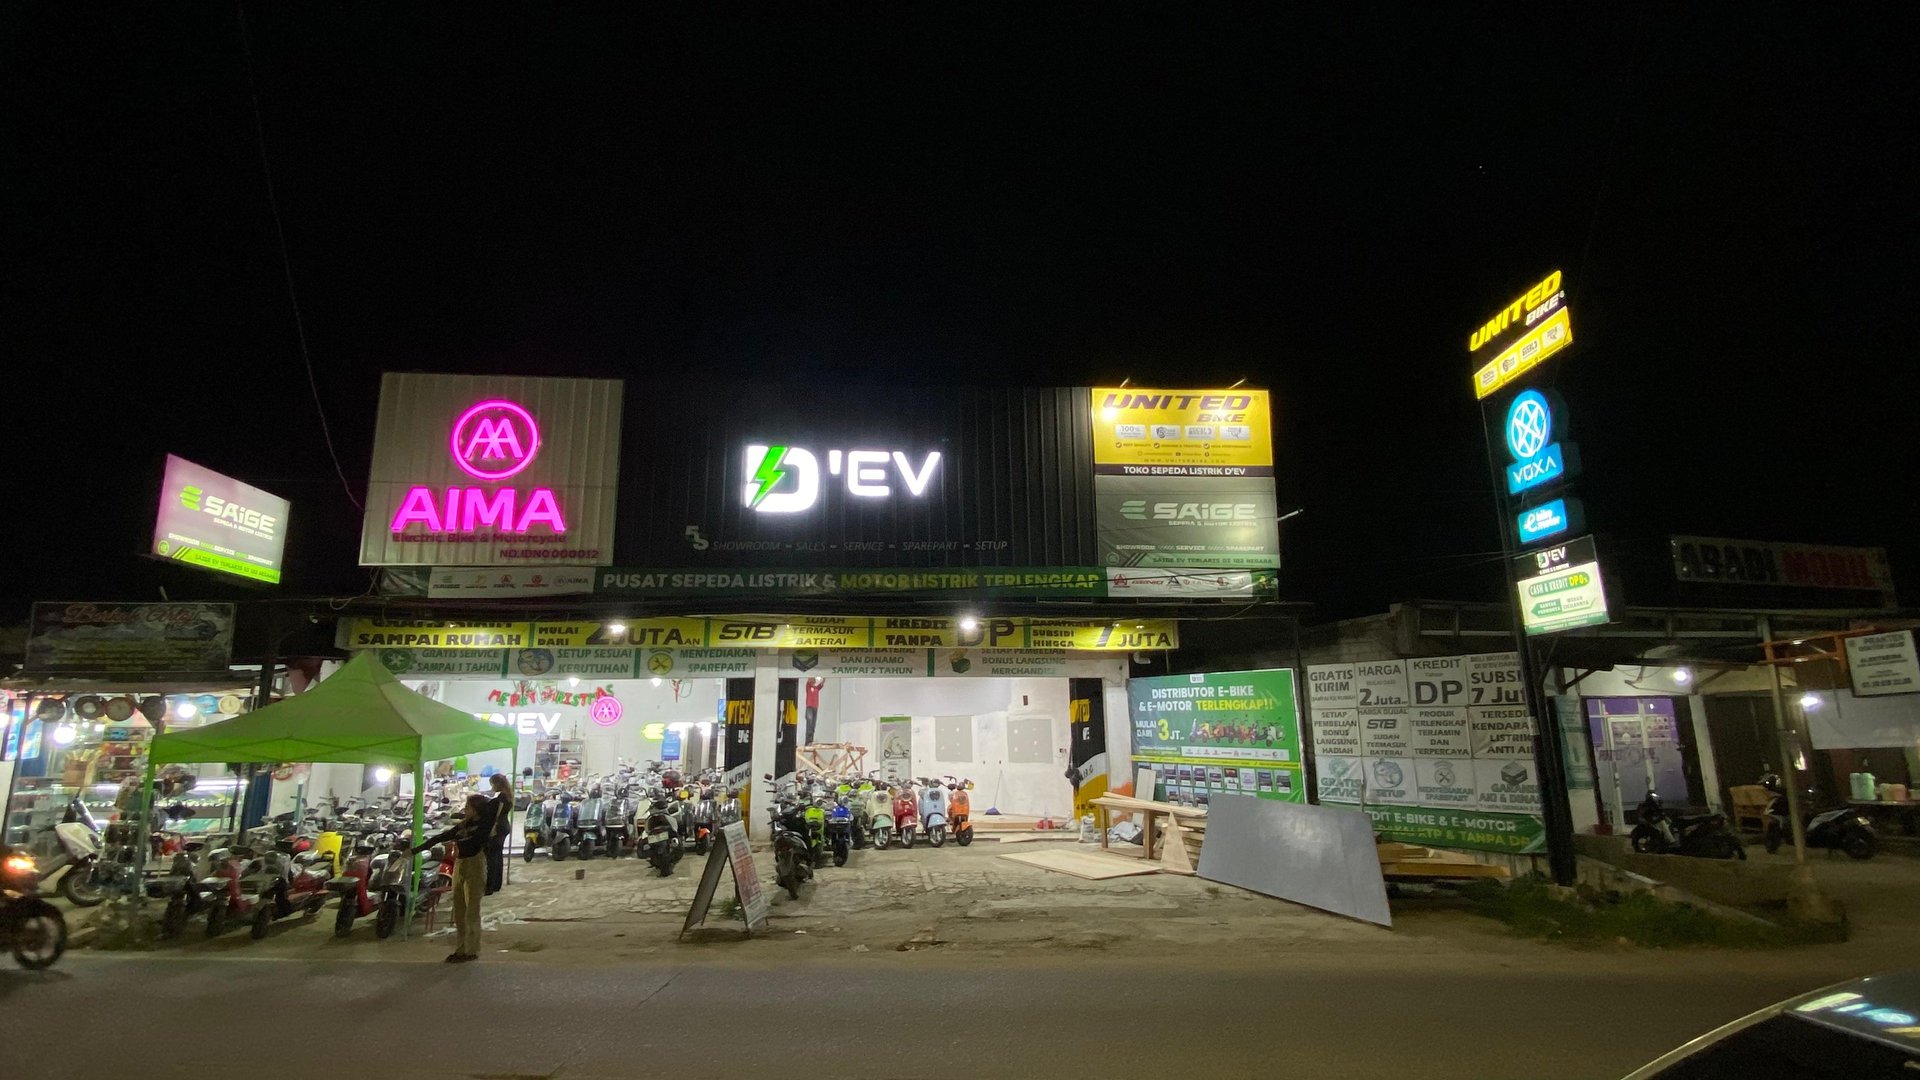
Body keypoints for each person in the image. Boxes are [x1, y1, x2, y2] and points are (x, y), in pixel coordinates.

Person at [415, 793, 494, 963]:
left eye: (468, 807)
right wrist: (414, 851)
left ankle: (471, 950)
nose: (465, 810)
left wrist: (460, 839)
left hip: (475, 864)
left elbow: (475, 842)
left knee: (472, 910)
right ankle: (460, 950)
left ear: (477, 809)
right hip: (461, 863)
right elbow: (441, 837)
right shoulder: (463, 825)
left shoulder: (484, 825)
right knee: (459, 908)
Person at [484, 773, 512, 896]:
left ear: (497, 784)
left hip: (499, 827)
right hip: (504, 826)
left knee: (492, 858)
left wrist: (492, 829)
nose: (492, 787)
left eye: (492, 784)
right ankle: (496, 885)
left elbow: (497, 815)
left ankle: (490, 887)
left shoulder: (502, 797)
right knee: (497, 856)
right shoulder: (508, 795)